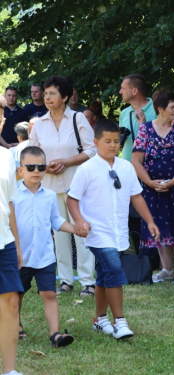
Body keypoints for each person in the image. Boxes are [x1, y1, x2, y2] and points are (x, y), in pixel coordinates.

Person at [67, 120, 160, 339]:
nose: (112, 145)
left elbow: (135, 197)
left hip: (118, 232)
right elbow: (72, 199)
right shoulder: (86, 169)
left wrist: (150, 221)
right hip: (97, 233)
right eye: (107, 141)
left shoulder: (126, 167)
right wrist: (79, 221)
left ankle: (99, 319)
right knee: (115, 272)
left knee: (104, 276)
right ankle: (120, 321)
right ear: (96, 142)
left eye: (116, 142)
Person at [29, 75, 97, 296]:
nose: (47, 97)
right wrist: (45, 166)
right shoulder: (39, 123)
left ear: (65, 97)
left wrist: (67, 162)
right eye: (46, 93)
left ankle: (88, 281)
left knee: (81, 231)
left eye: (52, 93)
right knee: (59, 235)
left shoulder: (78, 119)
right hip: (50, 186)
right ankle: (66, 280)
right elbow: (32, 154)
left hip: (77, 186)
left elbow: (92, 150)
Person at [15, 146, 88, 347]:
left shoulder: (49, 195)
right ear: (20, 170)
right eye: (30, 167)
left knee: (48, 293)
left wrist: (75, 229)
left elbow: (56, 220)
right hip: (20, 257)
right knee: (16, 294)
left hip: (45, 256)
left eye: (41, 166)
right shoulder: (13, 195)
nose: (36, 171)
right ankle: (16, 325)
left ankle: (55, 334)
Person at [132, 89, 174, 285]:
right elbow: (136, 160)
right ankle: (167, 269)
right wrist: (150, 182)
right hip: (152, 188)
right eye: (172, 107)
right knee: (158, 225)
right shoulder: (145, 129)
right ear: (160, 109)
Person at [118, 74, 157, 252]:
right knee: (131, 214)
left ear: (134, 90)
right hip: (128, 171)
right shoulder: (125, 113)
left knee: (151, 212)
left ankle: (154, 255)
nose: (120, 92)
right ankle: (140, 253)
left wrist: (144, 125)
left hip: (151, 171)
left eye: (122, 88)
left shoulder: (156, 109)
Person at [0, 93, 24, 375]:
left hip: (4, 240)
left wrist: (16, 243)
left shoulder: (7, 156)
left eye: (1, 115)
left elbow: (9, 203)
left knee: (10, 301)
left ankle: (9, 370)